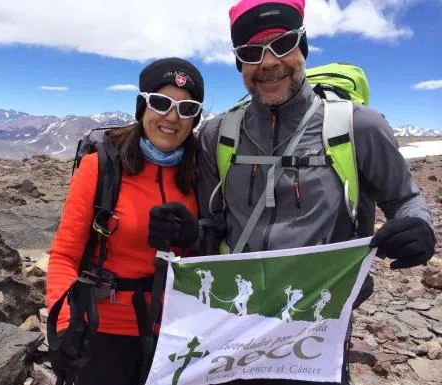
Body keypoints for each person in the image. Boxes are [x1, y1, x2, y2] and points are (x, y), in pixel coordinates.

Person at [186, 0, 435, 383]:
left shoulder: (357, 126)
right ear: (240, 65)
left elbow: (405, 199)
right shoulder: (219, 135)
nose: (268, 62)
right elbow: (210, 221)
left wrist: (419, 227)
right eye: (252, 53)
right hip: (236, 321)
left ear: (304, 46)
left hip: (320, 319)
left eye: (282, 44)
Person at [46, 57, 204, 385]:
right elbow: (65, 256)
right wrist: (64, 327)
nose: (172, 118)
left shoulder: (203, 173)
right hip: (105, 329)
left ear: (196, 118)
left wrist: (197, 237)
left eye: (186, 109)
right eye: (161, 103)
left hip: (177, 332)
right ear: (141, 106)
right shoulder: (99, 169)